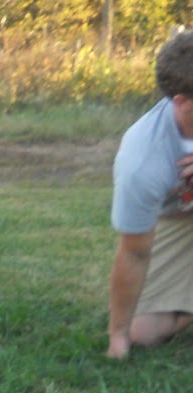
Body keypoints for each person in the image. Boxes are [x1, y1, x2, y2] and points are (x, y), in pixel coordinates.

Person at [108, 30, 193, 359]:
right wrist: (118, 338)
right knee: (141, 332)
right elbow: (134, 253)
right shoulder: (143, 159)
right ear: (180, 102)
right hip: (178, 222)